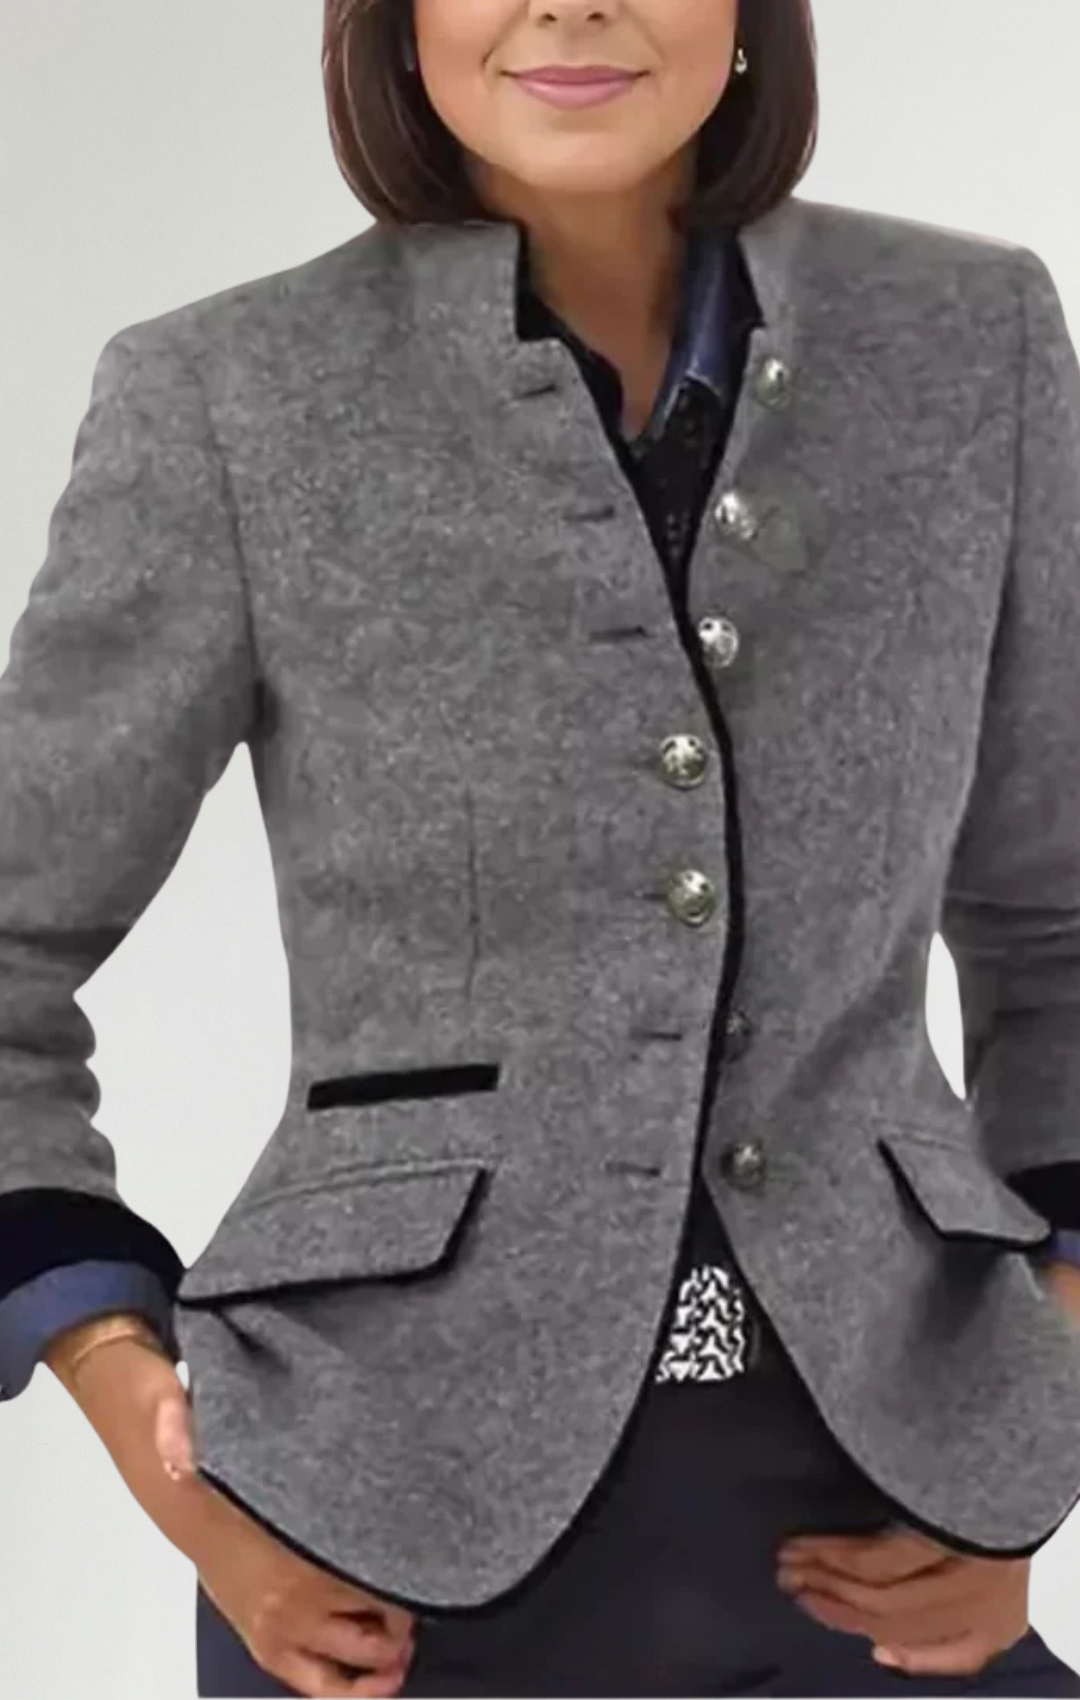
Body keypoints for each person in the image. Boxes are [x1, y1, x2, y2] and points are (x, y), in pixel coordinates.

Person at [4, 0, 1080, 1694]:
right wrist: (168, 1459)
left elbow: (1060, 924)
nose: (569, 3)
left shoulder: (970, 341)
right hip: (372, 1550)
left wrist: (1045, 1407)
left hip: (895, 1506)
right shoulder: (231, 396)